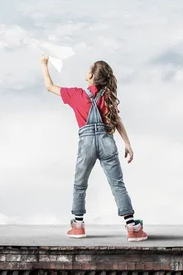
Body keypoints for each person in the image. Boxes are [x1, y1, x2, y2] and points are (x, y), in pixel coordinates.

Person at [40, 54, 148, 242]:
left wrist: (44, 64)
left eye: (89, 68)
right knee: (117, 183)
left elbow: (49, 86)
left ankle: (78, 226)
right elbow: (117, 120)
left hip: (87, 143)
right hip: (107, 141)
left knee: (80, 184)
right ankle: (132, 227)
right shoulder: (108, 98)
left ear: (91, 76)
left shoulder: (76, 94)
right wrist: (127, 143)